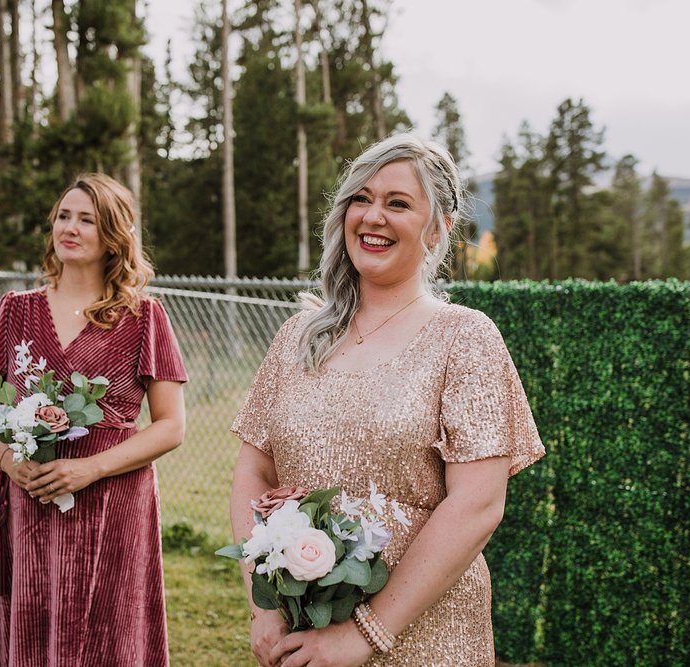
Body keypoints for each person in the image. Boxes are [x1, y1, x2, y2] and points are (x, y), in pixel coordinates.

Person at [229, 133, 545, 666]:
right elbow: (252, 475)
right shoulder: (298, 335)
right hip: (302, 632)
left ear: (439, 228)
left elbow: (477, 505)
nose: (373, 216)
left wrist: (366, 633)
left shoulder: (465, 337)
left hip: (425, 633)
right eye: (361, 198)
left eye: (397, 204)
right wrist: (264, 605)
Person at [0, 173, 188, 666]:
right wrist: (9, 462)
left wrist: (90, 468)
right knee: (31, 620)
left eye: (86, 219)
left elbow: (171, 426)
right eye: (63, 216)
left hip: (115, 503)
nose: (70, 227)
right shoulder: (15, 310)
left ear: (113, 236)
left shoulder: (144, 318)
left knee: (108, 630)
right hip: (32, 500)